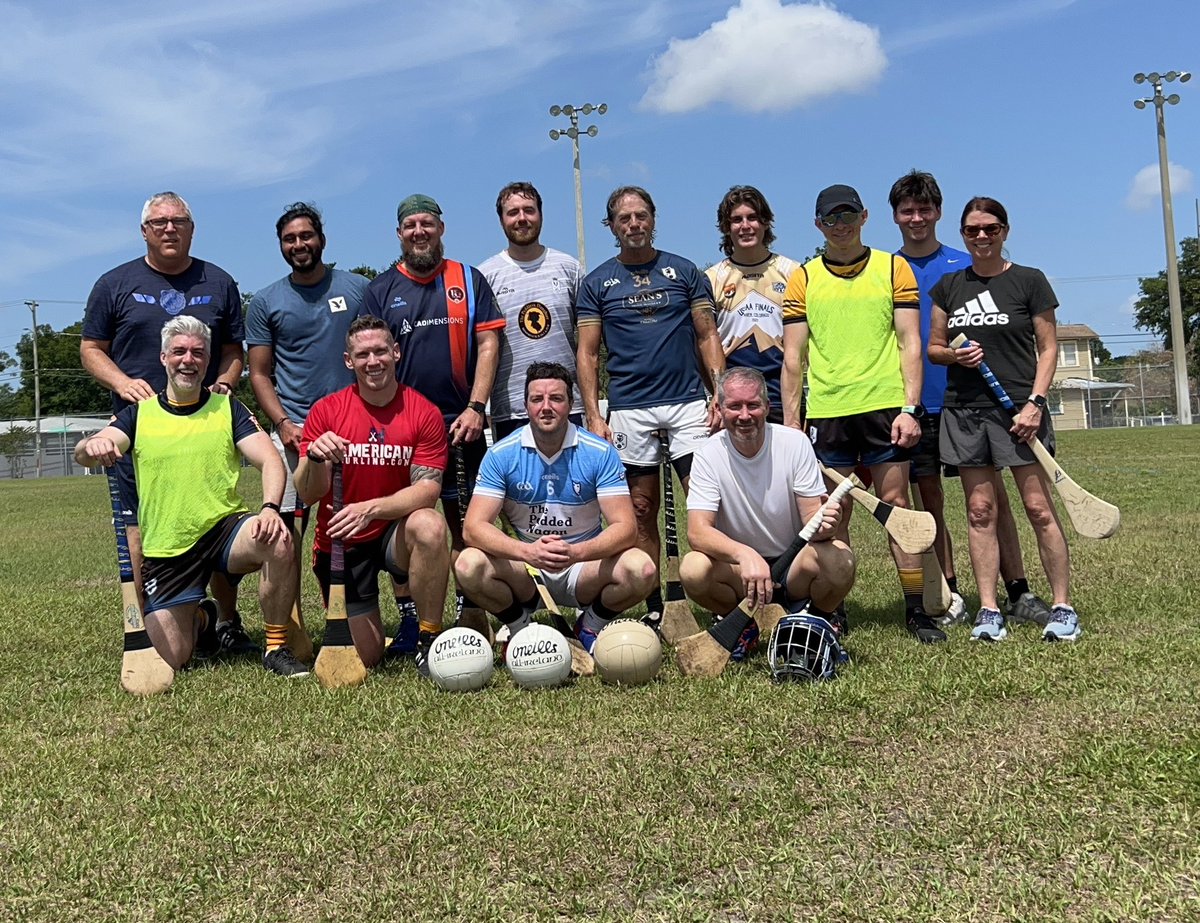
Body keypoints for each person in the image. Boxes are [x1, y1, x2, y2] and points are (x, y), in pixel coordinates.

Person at [74, 316, 303, 676]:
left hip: (224, 530)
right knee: (170, 658)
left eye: (198, 353)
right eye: (179, 351)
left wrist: (271, 508)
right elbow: (87, 452)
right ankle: (203, 618)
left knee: (278, 539)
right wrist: (92, 445)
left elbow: (270, 460)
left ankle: (276, 646)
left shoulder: (227, 408)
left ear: (208, 360)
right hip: (170, 548)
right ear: (163, 357)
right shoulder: (139, 414)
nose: (188, 360)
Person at [81, 191, 255, 655]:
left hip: (203, 427)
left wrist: (225, 383)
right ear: (144, 231)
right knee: (138, 536)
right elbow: (91, 349)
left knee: (214, 520)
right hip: (142, 432)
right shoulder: (114, 283)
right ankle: (156, 624)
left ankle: (228, 621)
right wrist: (123, 383)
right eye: (159, 222)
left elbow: (233, 351)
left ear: (192, 229)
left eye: (178, 221)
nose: (169, 228)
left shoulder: (219, 281)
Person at [781, 184, 943, 644]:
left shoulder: (893, 268)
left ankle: (916, 610)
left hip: (885, 407)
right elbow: (792, 358)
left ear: (865, 216)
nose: (841, 225)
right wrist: (792, 426)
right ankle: (835, 610)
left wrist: (910, 408)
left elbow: (911, 343)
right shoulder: (804, 278)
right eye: (831, 218)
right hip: (829, 411)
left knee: (898, 506)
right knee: (835, 514)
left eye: (848, 215)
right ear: (818, 225)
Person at [890, 171, 1051, 627]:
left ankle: (1017, 588)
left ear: (939, 213)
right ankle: (950, 593)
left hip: (972, 401)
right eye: (907, 211)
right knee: (929, 501)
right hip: (915, 403)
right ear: (895, 217)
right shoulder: (888, 269)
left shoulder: (967, 263)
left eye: (925, 209)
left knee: (990, 499)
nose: (917, 218)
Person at [928, 197, 1082, 642]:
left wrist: (1036, 403)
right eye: (973, 230)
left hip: (1020, 412)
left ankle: (1062, 607)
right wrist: (954, 355)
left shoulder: (1029, 281)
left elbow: (1048, 349)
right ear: (963, 235)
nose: (982, 236)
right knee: (980, 511)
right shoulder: (948, 287)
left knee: (1038, 508)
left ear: (1005, 231)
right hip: (966, 411)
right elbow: (934, 348)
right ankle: (989, 610)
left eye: (991, 228)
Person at [576, 185, 725, 628]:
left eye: (641, 215)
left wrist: (719, 392)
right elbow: (587, 353)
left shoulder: (684, 271)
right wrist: (593, 415)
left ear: (654, 219)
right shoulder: (597, 283)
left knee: (707, 503)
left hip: (687, 404)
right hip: (630, 409)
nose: (634, 224)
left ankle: (723, 596)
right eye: (624, 218)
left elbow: (707, 335)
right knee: (640, 512)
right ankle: (655, 605)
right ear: (611, 226)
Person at [362, 194, 504, 632]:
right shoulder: (381, 289)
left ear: (441, 228)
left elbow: (488, 343)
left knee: (467, 525)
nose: (419, 232)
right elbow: (371, 357)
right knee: (407, 525)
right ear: (399, 234)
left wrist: (476, 407)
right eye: (410, 226)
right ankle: (413, 620)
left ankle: (471, 608)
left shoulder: (468, 279)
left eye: (427, 223)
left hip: (462, 425)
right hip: (403, 431)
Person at [456, 362, 655, 652]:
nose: (546, 407)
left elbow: (626, 529)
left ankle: (589, 626)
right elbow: (473, 529)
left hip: (583, 568)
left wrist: (576, 553)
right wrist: (527, 552)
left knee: (642, 569)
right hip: (527, 570)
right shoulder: (501, 454)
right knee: (468, 564)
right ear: (526, 405)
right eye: (537, 399)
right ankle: (520, 628)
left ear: (571, 404)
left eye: (556, 398)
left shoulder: (599, 452)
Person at [245, 202, 371, 653]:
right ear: (281, 246)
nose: (299, 244)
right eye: (289, 239)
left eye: (306, 235)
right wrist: (283, 424)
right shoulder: (265, 301)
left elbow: (376, 348)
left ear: (322, 239)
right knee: (287, 533)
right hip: (297, 432)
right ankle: (290, 624)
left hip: (354, 432)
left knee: (356, 526)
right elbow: (259, 373)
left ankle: (356, 617)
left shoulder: (357, 288)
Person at [293, 316, 451, 673]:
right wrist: (314, 458)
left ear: (396, 352)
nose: (373, 361)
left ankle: (428, 637)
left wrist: (371, 509)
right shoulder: (326, 411)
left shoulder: (423, 411)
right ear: (349, 361)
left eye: (380, 351)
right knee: (368, 656)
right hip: (342, 539)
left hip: (394, 531)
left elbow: (427, 490)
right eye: (363, 354)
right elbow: (307, 491)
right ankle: (377, 631)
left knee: (429, 525)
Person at [681, 368, 855, 659]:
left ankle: (818, 621)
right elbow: (698, 532)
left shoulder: (795, 443)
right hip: (742, 572)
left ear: (767, 407)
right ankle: (742, 626)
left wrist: (828, 524)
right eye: (735, 406)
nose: (744, 415)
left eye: (753, 405)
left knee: (841, 561)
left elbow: (813, 520)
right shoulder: (707, 455)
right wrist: (744, 555)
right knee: (693, 569)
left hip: (794, 566)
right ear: (719, 409)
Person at [480, 182, 584, 439]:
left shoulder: (569, 268)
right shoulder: (485, 276)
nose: (522, 218)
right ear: (501, 220)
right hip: (511, 412)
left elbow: (588, 343)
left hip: (567, 407)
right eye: (513, 212)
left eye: (529, 210)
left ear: (541, 214)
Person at [705, 186, 801, 423]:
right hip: (735, 403)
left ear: (765, 222)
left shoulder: (793, 272)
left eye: (753, 218)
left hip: (783, 399)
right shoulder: (711, 278)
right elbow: (704, 342)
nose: (745, 226)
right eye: (737, 220)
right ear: (726, 227)